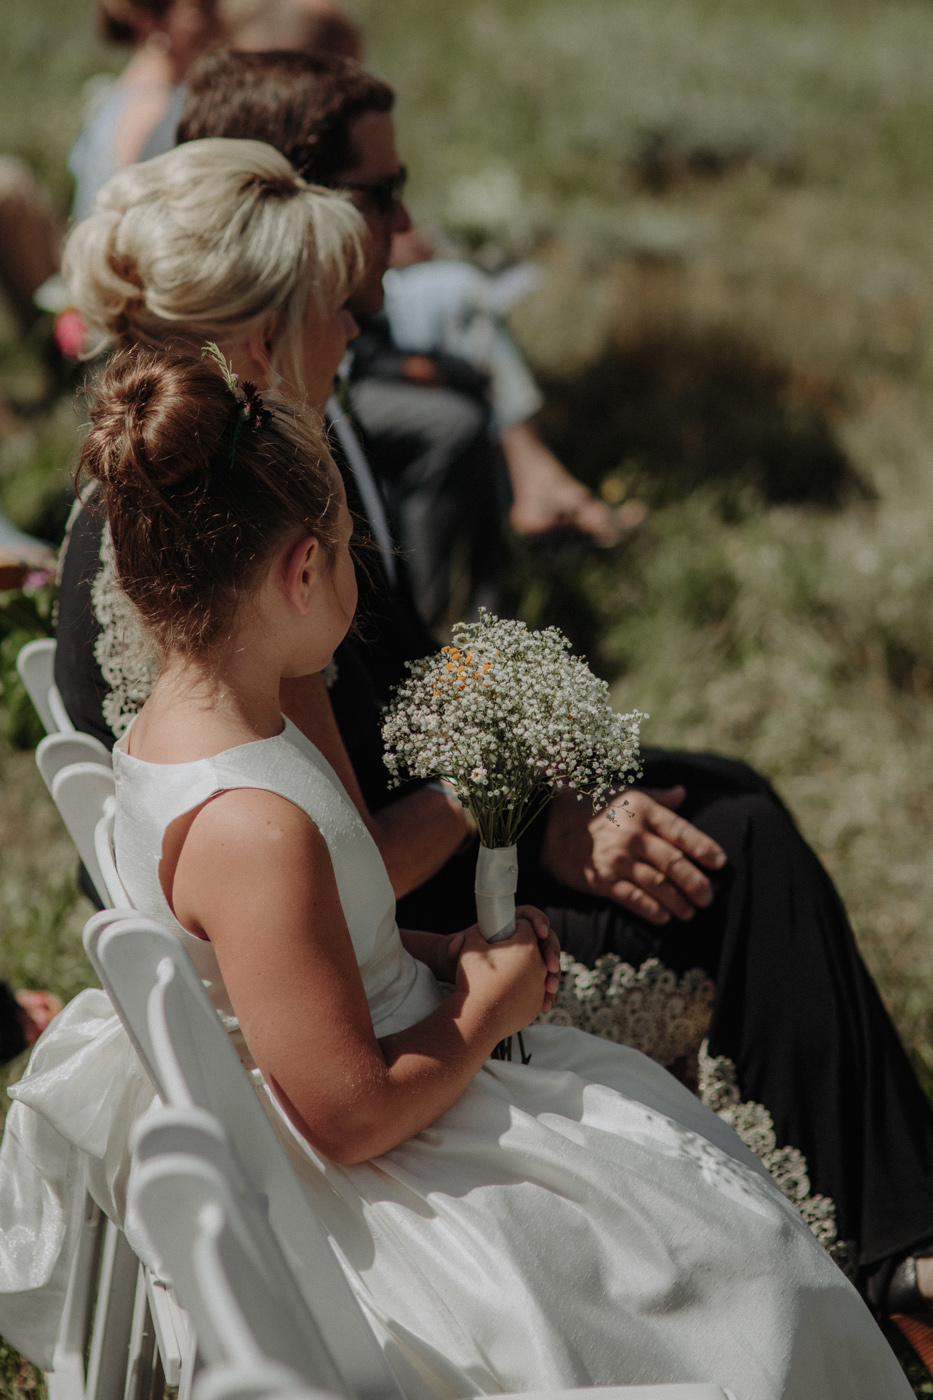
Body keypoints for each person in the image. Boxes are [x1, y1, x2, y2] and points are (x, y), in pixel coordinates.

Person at [165, 47, 933, 1334]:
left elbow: (387, 709)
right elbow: (322, 846)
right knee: (736, 857)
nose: (405, 229)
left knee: (723, 791)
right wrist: (518, 817)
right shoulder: (242, 530)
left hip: (401, 888)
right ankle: (889, 1255)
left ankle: (888, 1226)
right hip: (401, 944)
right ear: (292, 231)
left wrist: (546, 785)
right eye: (384, 189)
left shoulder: (289, 445)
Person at [7, 333, 917, 1398]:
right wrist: (485, 1006)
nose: (356, 574)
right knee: (735, 1266)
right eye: (349, 550)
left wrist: (434, 946)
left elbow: (287, 959)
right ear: (304, 572)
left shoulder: (182, 726)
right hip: (380, 1178)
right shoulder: (252, 822)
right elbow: (345, 1113)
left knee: (689, 1180)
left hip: (371, 1066)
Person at [68, 0, 223, 220]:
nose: (217, 23)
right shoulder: (157, 105)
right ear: (148, 23)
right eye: (201, 11)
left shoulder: (123, 91)